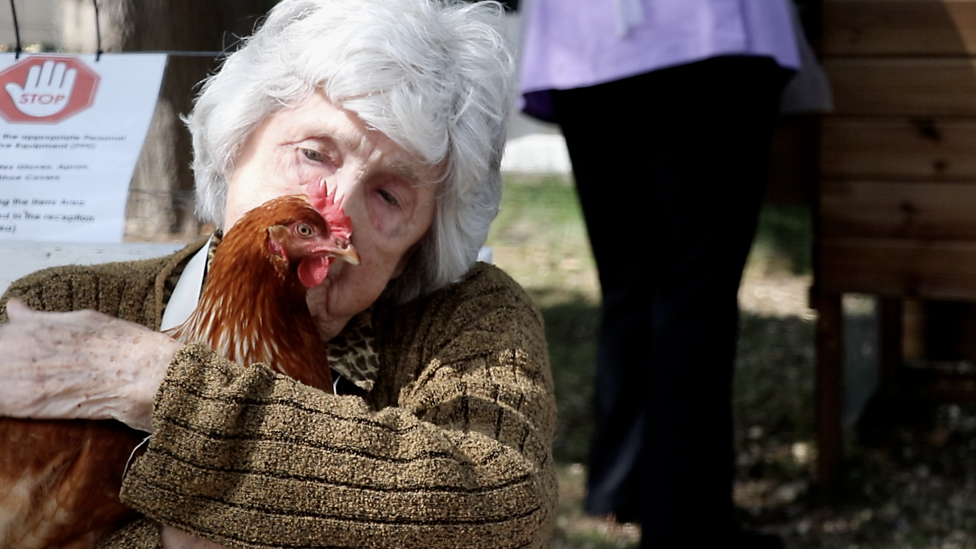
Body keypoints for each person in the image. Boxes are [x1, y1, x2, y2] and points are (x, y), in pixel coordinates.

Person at [0, 0, 557, 547]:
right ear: (236, 142)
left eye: (389, 193)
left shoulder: (466, 323)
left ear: (422, 241)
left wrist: (155, 382)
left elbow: (501, 511)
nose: (339, 208)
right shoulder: (59, 307)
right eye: (314, 154)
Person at [518, 0, 800, 547]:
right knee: (695, 289)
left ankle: (626, 484)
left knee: (632, 282)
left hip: (589, 40)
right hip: (705, 33)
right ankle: (687, 524)